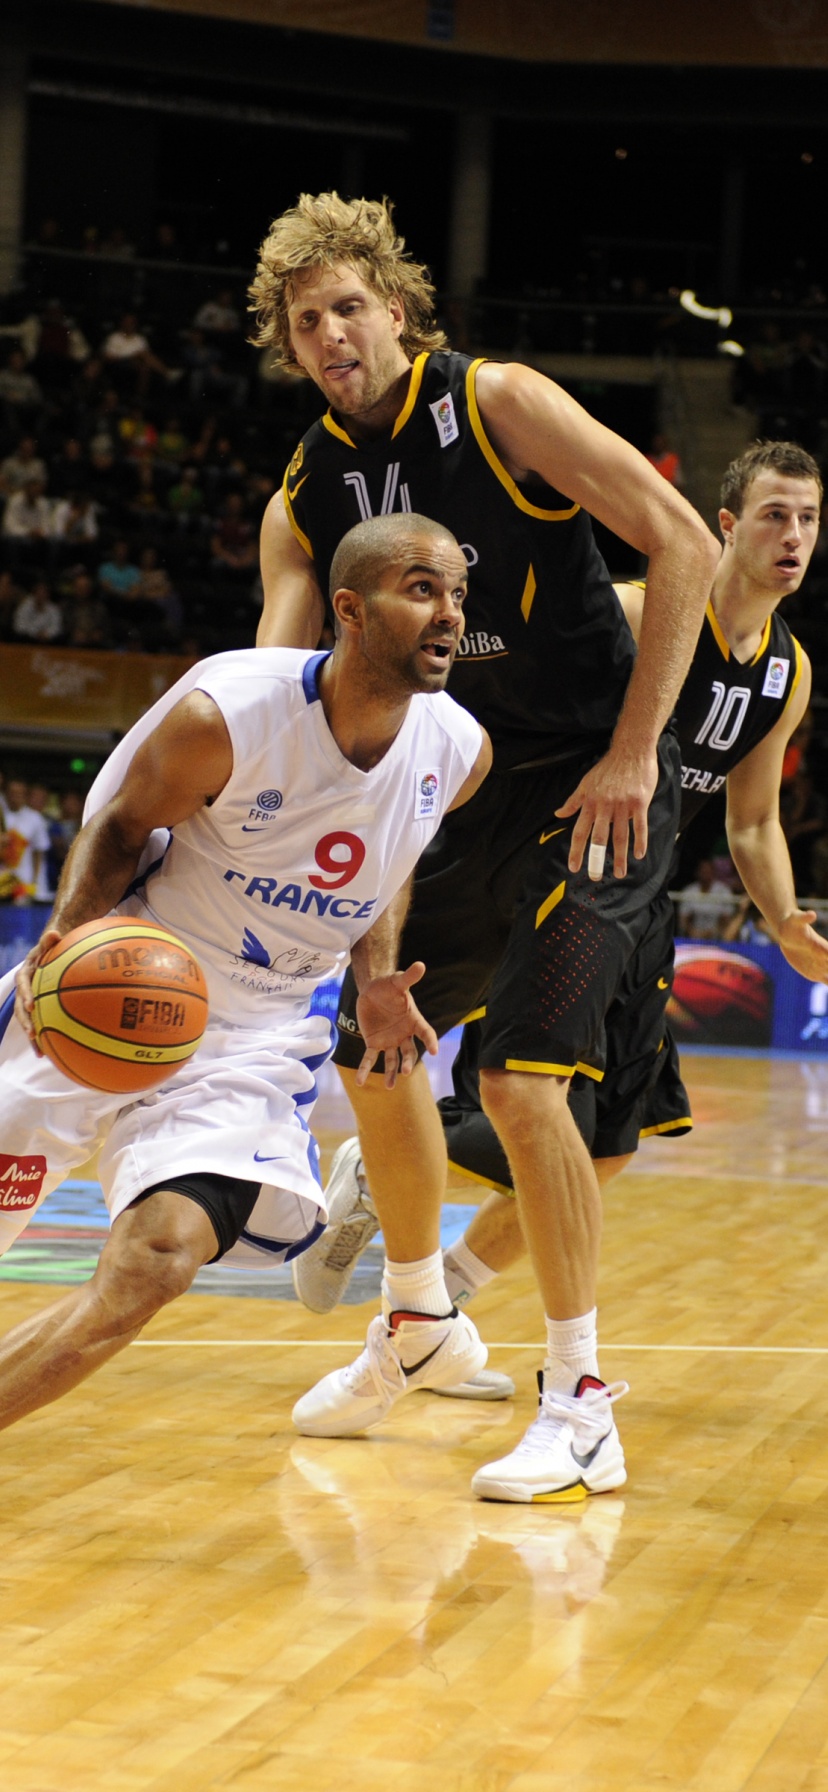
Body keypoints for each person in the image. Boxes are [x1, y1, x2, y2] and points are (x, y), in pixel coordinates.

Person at [251, 191, 719, 1501]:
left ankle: (578, 1404)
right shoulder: (309, 489)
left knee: (530, 1091)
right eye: (306, 321)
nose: (332, 331)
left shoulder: (498, 401)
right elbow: (282, 682)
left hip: (596, 781)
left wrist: (636, 750)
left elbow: (684, 538)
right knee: (374, 1038)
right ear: (290, 349)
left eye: (350, 305)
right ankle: (416, 1315)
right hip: (454, 787)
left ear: (398, 311)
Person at [0, 513, 491, 1435]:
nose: (450, 613)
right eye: (422, 589)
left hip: (253, 1037)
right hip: (126, 976)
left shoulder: (459, 752)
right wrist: (67, 937)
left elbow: (388, 860)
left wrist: (375, 976)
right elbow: (119, 826)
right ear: (349, 608)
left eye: (458, 593)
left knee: (156, 1263)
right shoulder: (227, 714)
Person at [329, 441, 828, 1319]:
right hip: (546, 873)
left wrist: (785, 918)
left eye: (809, 519)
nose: (794, 536)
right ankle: (392, 1178)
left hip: (637, 895)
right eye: (774, 515)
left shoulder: (788, 673)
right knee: (512, 1091)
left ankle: (432, 1303)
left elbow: (751, 821)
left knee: (605, 1148)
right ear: (723, 528)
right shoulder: (637, 613)